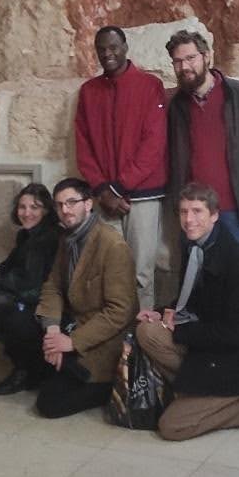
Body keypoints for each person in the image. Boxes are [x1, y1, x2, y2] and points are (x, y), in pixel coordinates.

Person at [135, 183, 239, 440]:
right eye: (183, 212)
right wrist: (162, 312)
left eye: (197, 211)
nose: (189, 219)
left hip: (235, 354)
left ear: (215, 215)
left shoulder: (236, 261)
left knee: (172, 427)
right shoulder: (194, 245)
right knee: (146, 332)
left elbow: (236, 332)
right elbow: (191, 298)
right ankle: (201, 393)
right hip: (207, 342)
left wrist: (182, 330)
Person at [74, 26, 168, 310]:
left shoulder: (150, 85)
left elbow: (154, 144)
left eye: (113, 47)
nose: (107, 54)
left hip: (142, 195)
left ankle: (142, 346)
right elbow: (84, 144)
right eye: (101, 49)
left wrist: (119, 186)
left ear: (126, 47)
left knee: (141, 274)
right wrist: (102, 189)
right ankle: (112, 348)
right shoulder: (89, 92)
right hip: (104, 198)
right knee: (106, 275)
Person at [34, 178, 138, 419]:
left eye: (72, 202)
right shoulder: (67, 238)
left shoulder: (112, 245)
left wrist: (71, 342)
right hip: (72, 325)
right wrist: (52, 335)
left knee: (50, 404)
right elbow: (53, 287)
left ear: (88, 204)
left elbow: (120, 311)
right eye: (59, 205)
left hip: (104, 338)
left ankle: (107, 385)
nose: (65, 210)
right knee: (25, 334)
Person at [165, 30, 239, 265]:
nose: (185, 67)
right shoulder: (175, 106)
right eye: (178, 62)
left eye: (191, 58)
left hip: (237, 210)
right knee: (197, 284)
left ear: (207, 56)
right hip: (194, 211)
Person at [0, 183, 60, 395]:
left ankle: (24, 371)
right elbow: (7, 268)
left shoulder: (48, 237)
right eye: (22, 207)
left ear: (46, 210)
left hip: (46, 309)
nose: (27, 213)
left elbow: (33, 284)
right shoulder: (26, 236)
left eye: (34, 207)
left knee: (1, 307)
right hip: (27, 300)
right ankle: (31, 368)